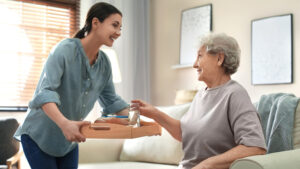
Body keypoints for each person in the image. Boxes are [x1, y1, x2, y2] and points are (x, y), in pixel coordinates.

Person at [14, 2, 129, 169]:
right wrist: (65, 124)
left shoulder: (104, 64)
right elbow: (45, 92)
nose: (118, 32)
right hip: (39, 136)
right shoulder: (64, 50)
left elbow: (112, 101)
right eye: (114, 25)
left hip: (68, 141)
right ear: (95, 23)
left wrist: (142, 119)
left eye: (120, 28)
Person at [132, 33, 267, 169]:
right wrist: (155, 113)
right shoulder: (201, 94)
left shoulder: (235, 94)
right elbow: (184, 133)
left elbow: (255, 148)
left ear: (219, 59)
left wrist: (206, 165)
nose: (194, 64)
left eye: (200, 56)